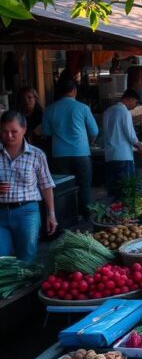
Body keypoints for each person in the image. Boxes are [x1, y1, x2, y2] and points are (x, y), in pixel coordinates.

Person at [0, 111, 56, 262]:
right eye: (5, 132)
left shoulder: (37, 155)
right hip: (1, 213)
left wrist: (51, 214)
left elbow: (46, 185)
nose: (9, 136)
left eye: (14, 131)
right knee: (1, 259)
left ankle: (26, 286)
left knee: (27, 258)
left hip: (27, 212)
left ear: (24, 130)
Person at [42, 77, 98, 217]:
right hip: (81, 154)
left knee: (64, 188)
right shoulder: (83, 108)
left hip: (59, 155)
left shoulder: (49, 109)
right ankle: (85, 217)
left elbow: (46, 133)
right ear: (74, 90)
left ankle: (68, 217)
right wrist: (90, 143)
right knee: (84, 187)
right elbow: (94, 131)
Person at [101, 89, 142, 198]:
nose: (135, 106)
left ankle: (113, 213)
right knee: (127, 192)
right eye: (135, 102)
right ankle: (125, 214)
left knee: (113, 192)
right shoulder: (124, 112)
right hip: (123, 156)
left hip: (109, 156)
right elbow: (131, 136)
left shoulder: (107, 112)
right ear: (129, 99)